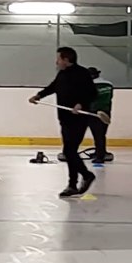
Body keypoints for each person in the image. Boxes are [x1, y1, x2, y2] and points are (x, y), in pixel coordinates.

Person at [29, 47, 97, 197]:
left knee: (69, 151)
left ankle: (85, 176)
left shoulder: (82, 73)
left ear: (66, 60)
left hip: (78, 119)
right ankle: (72, 185)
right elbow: (53, 87)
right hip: (65, 118)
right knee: (69, 152)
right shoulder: (62, 74)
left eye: (59, 59)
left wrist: (80, 104)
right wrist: (39, 95)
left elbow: (92, 93)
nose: (56, 61)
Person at [88, 67, 114, 164]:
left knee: (97, 135)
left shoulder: (90, 85)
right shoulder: (109, 84)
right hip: (106, 111)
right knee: (101, 134)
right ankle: (101, 152)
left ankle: (100, 156)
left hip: (94, 112)